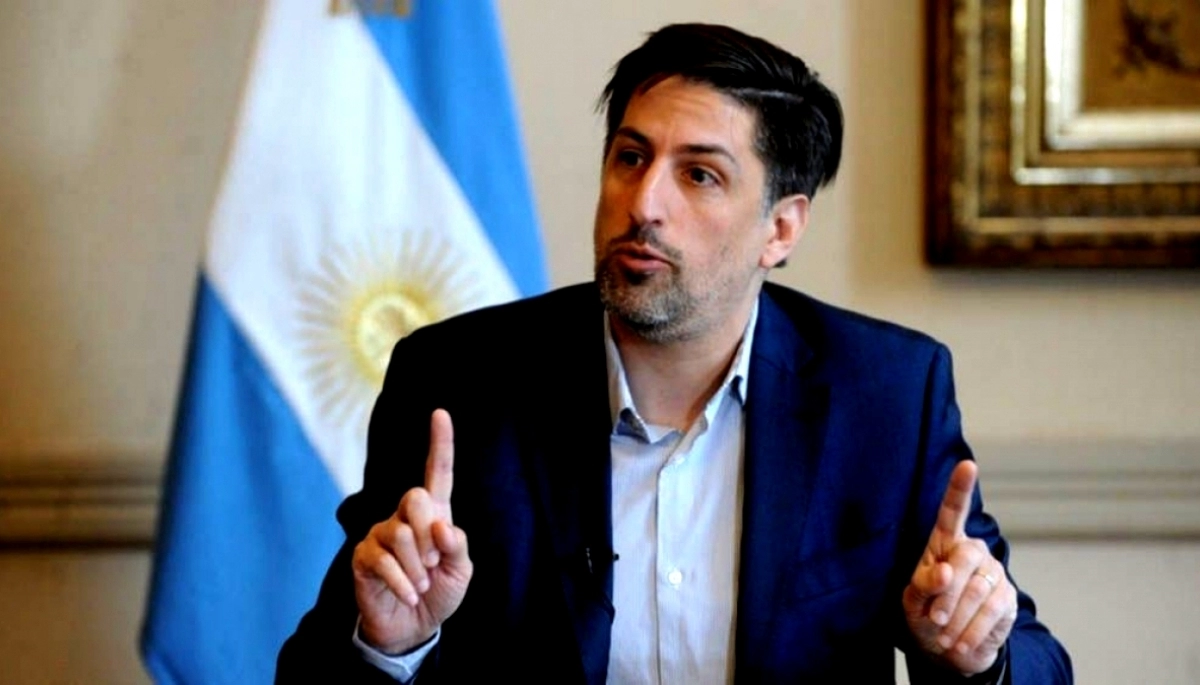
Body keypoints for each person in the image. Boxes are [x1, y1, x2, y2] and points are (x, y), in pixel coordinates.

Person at [277, 23, 1071, 683]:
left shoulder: (886, 394)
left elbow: (1037, 661)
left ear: (780, 228)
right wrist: (390, 644)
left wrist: (978, 654)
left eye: (699, 175)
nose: (644, 203)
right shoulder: (459, 380)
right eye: (630, 158)